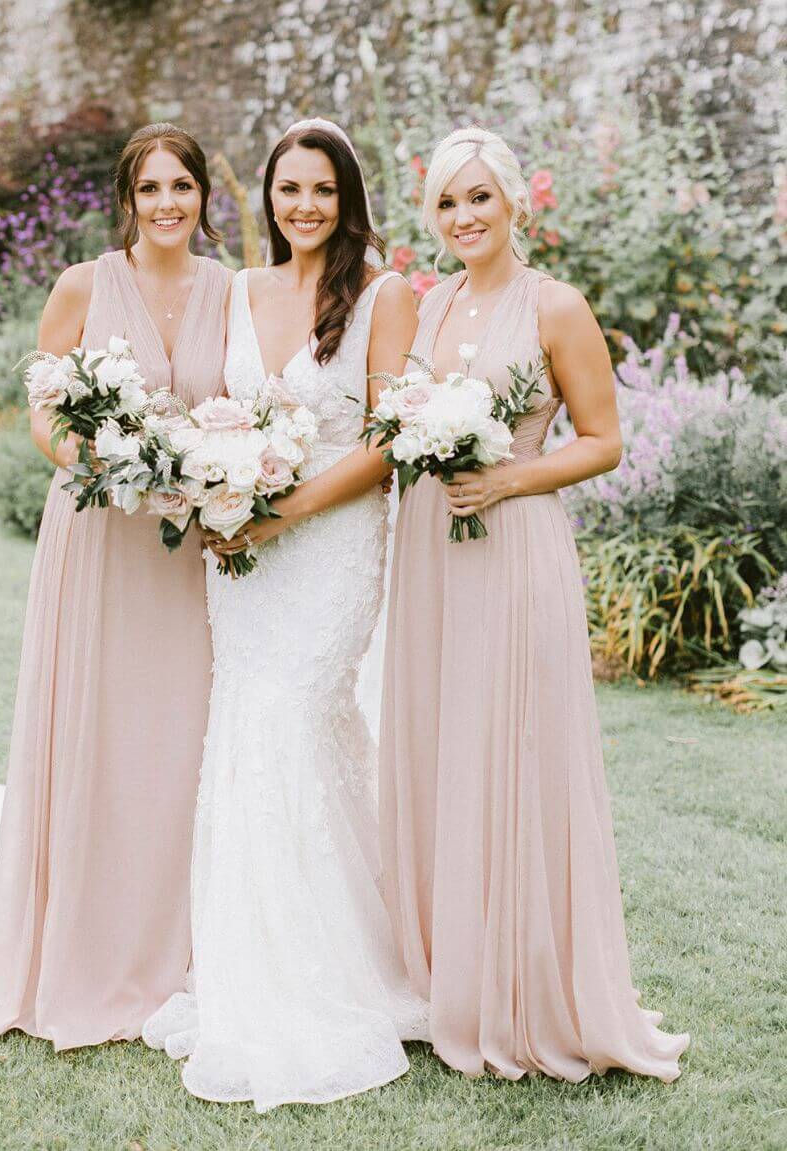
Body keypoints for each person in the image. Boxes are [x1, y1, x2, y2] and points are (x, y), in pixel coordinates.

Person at [0, 124, 231, 1051]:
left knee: (177, 735)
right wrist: (100, 457)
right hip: (95, 535)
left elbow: (241, 406)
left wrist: (214, 473)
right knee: (94, 726)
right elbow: (44, 408)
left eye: (182, 186)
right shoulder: (83, 285)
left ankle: (177, 938)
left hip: (185, 545)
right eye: (150, 187)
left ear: (204, 196)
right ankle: (81, 933)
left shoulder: (232, 292)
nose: (167, 203)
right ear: (127, 197)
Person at [379, 126, 689, 1082]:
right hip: (432, 550)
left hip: (513, 548)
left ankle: (524, 986)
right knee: (443, 746)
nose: (465, 217)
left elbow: (603, 439)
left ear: (515, 201)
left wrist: (509, 479)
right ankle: (445, 977)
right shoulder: (425, 310)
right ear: (431, 216)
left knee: (511, 746)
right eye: (448, 202)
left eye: (481, 198)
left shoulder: (556, 305)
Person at [142, 118, 428, 1110]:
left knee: (300, 718)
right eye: (287, 189)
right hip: (242, 555)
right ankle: (252, 954)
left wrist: (279, 513)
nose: (303, 206)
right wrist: (213, 487)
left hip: (333, 546)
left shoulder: (383, 294)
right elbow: (208, 406)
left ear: (348, 199)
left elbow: (389, 441)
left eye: (322, 191)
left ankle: (341, 966)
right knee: (249, 728)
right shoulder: (239, 290)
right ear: (265, 196)